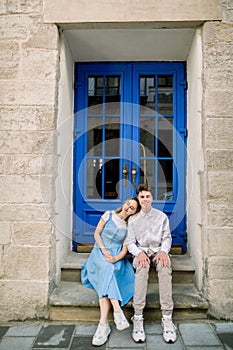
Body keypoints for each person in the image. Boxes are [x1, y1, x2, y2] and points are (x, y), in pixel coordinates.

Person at [81, 197, 140, 347]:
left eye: (132, 208)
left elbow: (125, 249)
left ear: (134, 212)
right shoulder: (108, 215)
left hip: (116, 257)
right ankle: (117, 310)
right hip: (99, 252)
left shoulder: (129, 226)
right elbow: (96, 234)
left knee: (109, 270)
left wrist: (116, 258)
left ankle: (103, 325)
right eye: (128, 204)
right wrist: (104, 250)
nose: (128, 208)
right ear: (124, 203)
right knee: (106, 268)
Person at [126, 184, 177, 344]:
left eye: (148, 196)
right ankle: (138, 316)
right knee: (141, 267)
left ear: (152, 198)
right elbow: (130, 243)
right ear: (138, 199)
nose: (145, 199)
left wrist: (163, 251)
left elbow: (167, 237)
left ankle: (167, 317)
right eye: (142, 197)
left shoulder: (161, 217)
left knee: (164, 265)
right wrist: (139, 253)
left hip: (158, 251)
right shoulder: (133, 220)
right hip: (142, 252)